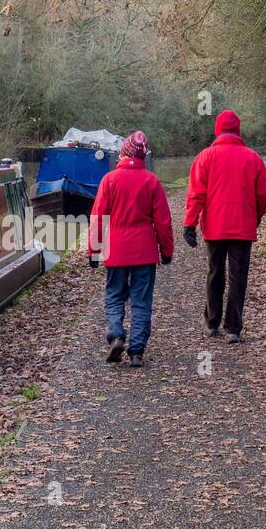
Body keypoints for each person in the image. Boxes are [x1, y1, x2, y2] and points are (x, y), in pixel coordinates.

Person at [182, 109, 266, 343]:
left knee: (215, 273)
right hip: (242, 227)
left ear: (217, 131)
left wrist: (190, 224)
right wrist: (256, 215)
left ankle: (212, 324)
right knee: (238, 276)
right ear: (238, 130)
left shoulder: (205, 157)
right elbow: (265, 194)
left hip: (215, 227)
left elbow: (196, 195)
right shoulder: (253, 158)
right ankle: (233, 328)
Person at [87, 130, 174, 367]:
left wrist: (94, 250)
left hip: (115, 250)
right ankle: (136, 351)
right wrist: (166, 252)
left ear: (123, 153)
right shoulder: (152, 182)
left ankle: (116, 335)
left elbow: (98, 217)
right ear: (143, 156)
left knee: (114, 295)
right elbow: (163, 222)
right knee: (141, 300)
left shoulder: (109, 180)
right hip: (144, 252)